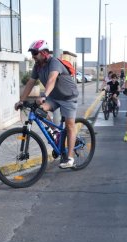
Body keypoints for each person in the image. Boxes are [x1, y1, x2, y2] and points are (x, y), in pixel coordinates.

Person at [16, 39, 79, 169]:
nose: (33, 56)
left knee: (69, 125)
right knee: (39, 110)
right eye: (32, 53)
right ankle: (56, 132)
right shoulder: (38, 66)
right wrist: (22, 100)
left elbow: (52, 79)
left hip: (68, 97)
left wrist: (44, 95)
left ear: (44, 52)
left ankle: (70, 158)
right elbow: (30, 83)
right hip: (54, 97)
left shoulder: (54, 62)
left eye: (35, 53)